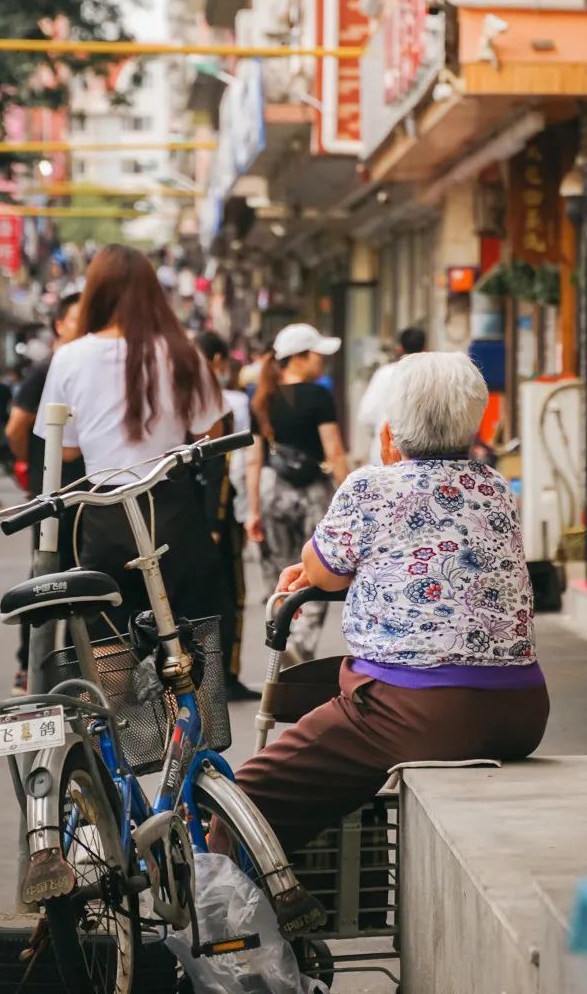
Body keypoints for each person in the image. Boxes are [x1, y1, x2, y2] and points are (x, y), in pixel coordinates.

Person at [230, 352, 548, 858]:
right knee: (330, 685)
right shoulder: (492, 486)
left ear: (388, 434)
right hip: (522, 711)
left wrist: (311, 567)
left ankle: (230, 911)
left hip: (419, 715)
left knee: (241, 798)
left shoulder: (372, 485)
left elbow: (325, 569)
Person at [35, 244, 230, 638]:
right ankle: (181, 702)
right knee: (183, 639)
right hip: (172, 510)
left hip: (103, 512)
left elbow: (65, 449)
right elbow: (212, 435)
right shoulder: (183, 353)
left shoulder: (70, 358)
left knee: (107, 638)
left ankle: (118, 700)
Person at [246, 323, 349, 664]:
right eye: (317, 354)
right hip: (312, 494)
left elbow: (254, 460)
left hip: (273, 490)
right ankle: (301, 644)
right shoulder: (318, 396)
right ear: (300, 358)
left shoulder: (262, 398)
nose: (322, 361)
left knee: (281, 569)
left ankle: (280, 636)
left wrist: (253, 510)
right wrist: (350, 493)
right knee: (318, 567)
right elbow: (333, 450)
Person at [6, 291, 85, 692]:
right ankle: (31, 666)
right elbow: (16, 427)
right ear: (60, 324)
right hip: (50, 495)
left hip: (84, 493)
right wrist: (33, 469)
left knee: (80, 580)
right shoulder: (47, 369)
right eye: (79, 317)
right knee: (44, 578)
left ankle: (73, 669)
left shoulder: (84, 367)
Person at [195, 332, 257, 701]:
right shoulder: (225, 402)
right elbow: (221, 467)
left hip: (185, 516)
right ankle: (222, 677)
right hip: (214, 518)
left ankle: (208, 679)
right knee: (228, 596)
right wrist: (217, 523)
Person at [357, 326, 426, 465]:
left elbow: (366, 416)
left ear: (399, 348)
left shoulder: (384, 374)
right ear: (426, 348)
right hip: (422, 459)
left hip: (384, 451)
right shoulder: (429, 375)